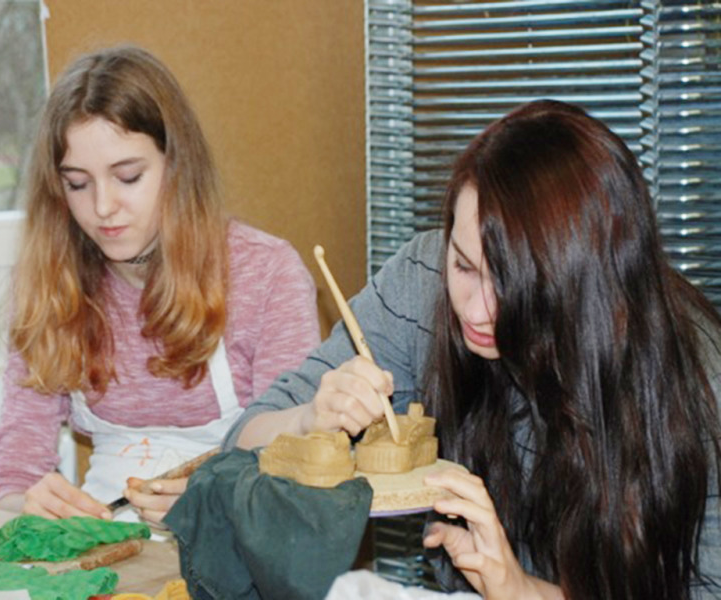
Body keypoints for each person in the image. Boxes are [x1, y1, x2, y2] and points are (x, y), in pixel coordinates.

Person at [225, 100, 721, 599]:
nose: (476, 310)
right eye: (464, 265)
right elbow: (243, 439)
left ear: (582, 291)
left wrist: (520, 590)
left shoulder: (699, 378)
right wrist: (308, 421)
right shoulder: (422, 283)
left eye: (512, 287)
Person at [0, 45, 320, 525]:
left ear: (177, 165)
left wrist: (215, 500)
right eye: (78, 184)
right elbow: (13, 479)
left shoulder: (266, 274)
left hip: (239, 544)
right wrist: (28, 505)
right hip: (107, 556)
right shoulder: (46, 285)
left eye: (128, 177)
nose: (103, 207)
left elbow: (296, 469)